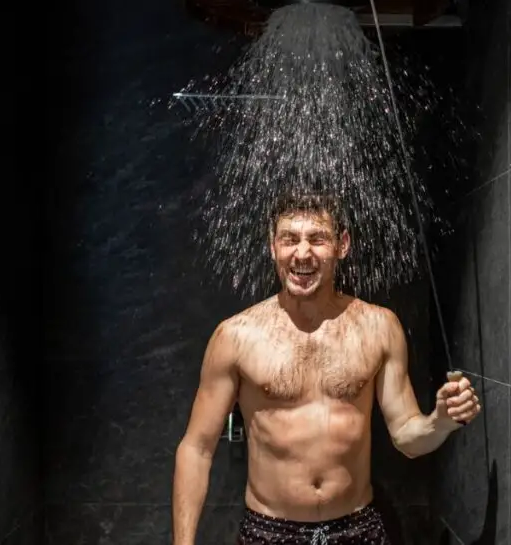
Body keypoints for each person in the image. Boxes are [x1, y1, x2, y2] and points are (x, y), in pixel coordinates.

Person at [173, 193, 481, 545]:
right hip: (269, 533)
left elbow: (407, 437)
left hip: (357, 529)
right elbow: (196, 448)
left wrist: (440, 421)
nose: (302, 253)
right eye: (289, 238)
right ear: (273, 246)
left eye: (317, 239)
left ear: (342, 244)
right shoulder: (235, 337)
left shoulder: (379, 328)